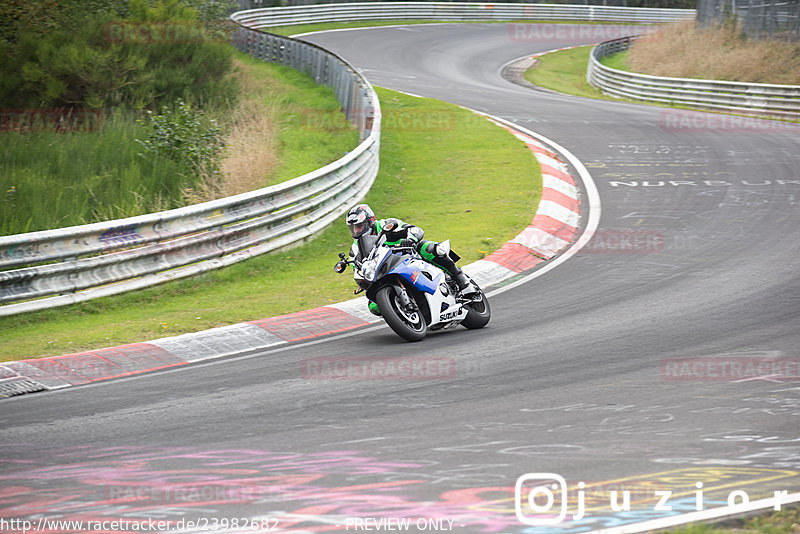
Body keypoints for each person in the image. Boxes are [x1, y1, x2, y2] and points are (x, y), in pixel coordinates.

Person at [345, 204, 476, 316]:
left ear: (370, 221)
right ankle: (405, 314)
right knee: (374, 306)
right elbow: (358, 269)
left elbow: (415, 229)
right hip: (385, 270)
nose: (356, 231)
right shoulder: (355, 249)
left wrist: (410, 239)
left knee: (430, 249)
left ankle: (463, 282)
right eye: (353, 228)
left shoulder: (386, 224)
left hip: (408, 254)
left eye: (359, 226)